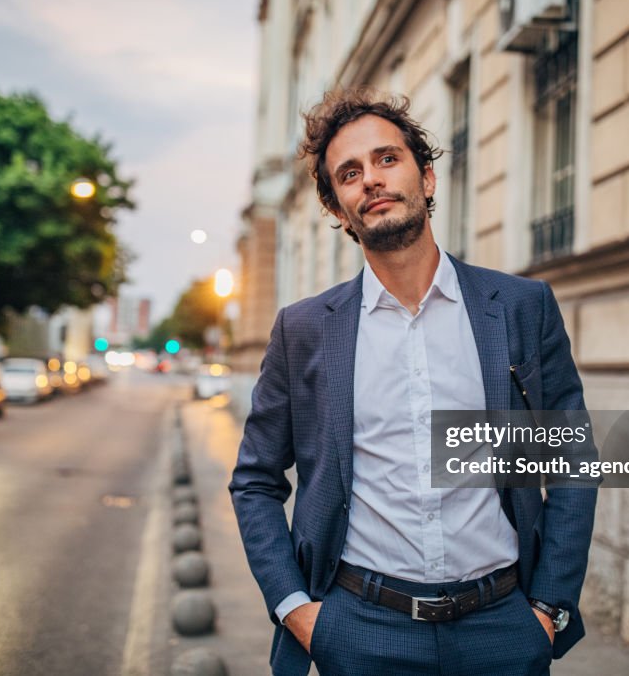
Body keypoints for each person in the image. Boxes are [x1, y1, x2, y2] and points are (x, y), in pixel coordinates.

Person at [230, 88, 597, 675]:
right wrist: (298, 611)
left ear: (426, 177)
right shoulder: (303, 331)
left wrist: (548, 607)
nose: (370, 180)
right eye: (349, 173)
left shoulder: (521, 308)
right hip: (360, 630)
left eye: (386, 159)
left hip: (501, 628)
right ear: (336, 208)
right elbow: (255, 481)